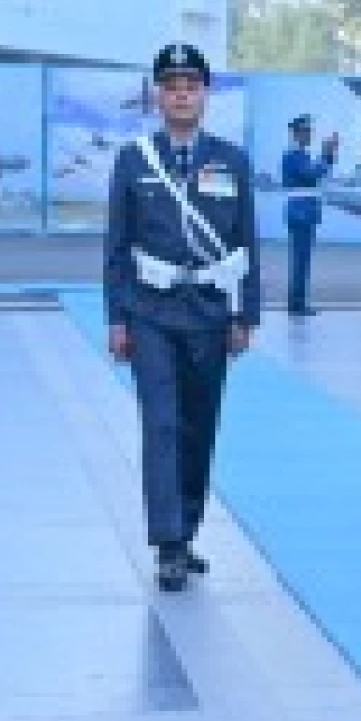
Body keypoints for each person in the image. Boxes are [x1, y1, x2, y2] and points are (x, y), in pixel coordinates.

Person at [104, 43, 260, 594]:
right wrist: (117, 319)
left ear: (205, 95)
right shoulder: (134, 160)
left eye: (191, 86)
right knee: (161, 424)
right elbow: (117, 246)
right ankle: (167, 542)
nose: (181, 95)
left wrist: (246, 315)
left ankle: (187, 531)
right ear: (158, 96)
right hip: (152, 311)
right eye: (171, 87)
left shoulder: (231, 160)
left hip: (211, 314)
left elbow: (246, 242)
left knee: (199, 426)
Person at [280, 113, 339, 318]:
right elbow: (312, 174)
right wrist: (326, 154)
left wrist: (328, 155)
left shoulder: (301, 154)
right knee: (300, 260)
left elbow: (317, 172)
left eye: (309, 132)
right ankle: (296, 304)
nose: (309, 135)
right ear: (296, 134)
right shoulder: (294, 155)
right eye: (305, 132)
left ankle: (298, 302)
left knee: (302, 260)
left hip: (304, 211)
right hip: (301, 212)